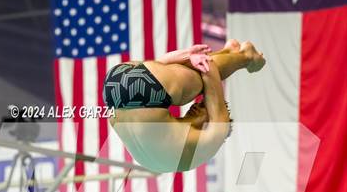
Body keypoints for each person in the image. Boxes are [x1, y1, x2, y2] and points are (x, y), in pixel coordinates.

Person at [103, 40, 266, 173]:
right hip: (113, 86)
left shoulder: (213, 136)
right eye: (203, 106)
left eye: (199, 106)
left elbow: (208, 68)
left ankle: (246, 56)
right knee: (188, 78)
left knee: (200, 78)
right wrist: (189, 55)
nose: (195, 105)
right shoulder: (171, 152)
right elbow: (155, 68)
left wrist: (192, 57)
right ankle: (229, 52)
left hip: (141, 90)